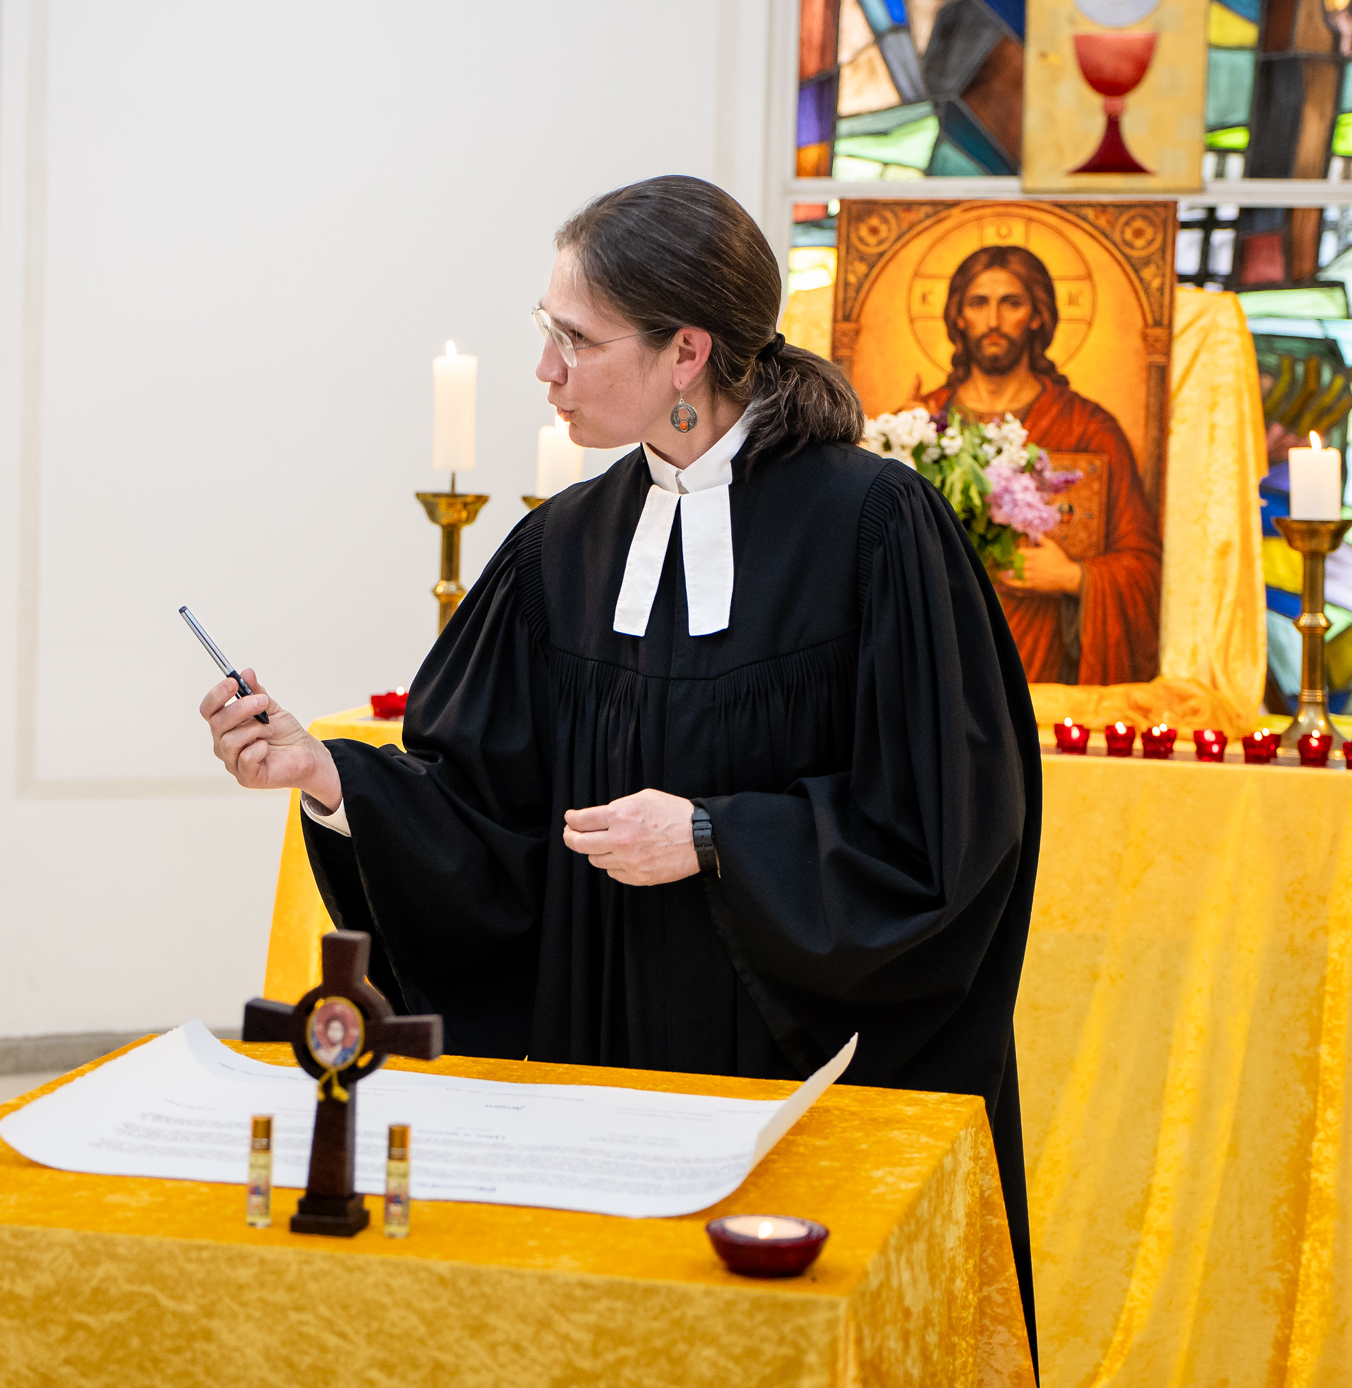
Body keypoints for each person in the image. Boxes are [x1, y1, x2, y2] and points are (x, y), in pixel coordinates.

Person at [201, 174, 1041, 1343]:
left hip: (797, 1091)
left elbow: (949, 830)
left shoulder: (873, 528)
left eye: (576, 339)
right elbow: (482, 816)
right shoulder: (562, 548)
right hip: (598, 1071)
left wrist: (713, 837)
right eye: (545, 331)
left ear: (686, 350)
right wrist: (329, 776)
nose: (544, 369)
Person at [916, 244, 1162, 685]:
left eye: (1011, 303)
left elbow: (1143, 565)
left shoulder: (1087, 428)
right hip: (937, 657)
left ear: (1037, 316)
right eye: (979, 303)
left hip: (1046, 674)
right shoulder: (918, 424)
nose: (993, 320)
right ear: (958, 316)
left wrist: (1074, 578)